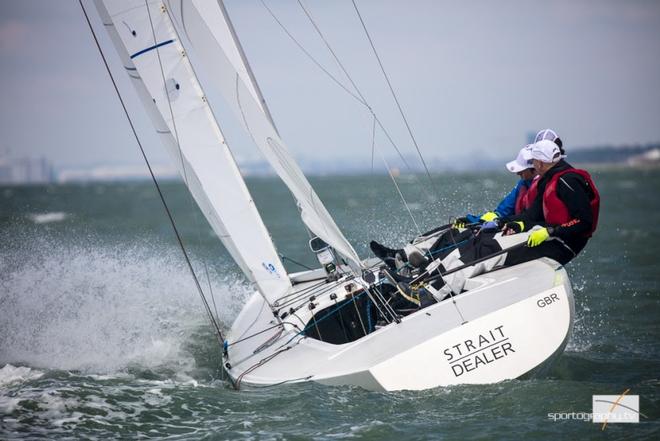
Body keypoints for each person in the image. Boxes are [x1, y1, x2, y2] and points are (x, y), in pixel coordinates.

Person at [419, 138, 600, 300]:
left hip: (562, 244)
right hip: (547, 235)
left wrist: (550, 231)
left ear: (541, 162)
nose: (533, 166)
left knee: (491, 248)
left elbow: (584, 221)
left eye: (534, 161)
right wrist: (511, 223)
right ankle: (428, 281)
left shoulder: (568, 180)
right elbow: (531, 215)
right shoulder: (547, 180)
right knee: (484, 240)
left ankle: (434, 294)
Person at [459, 128, 564, 225]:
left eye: (522, 170)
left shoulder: (557, 181)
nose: (518, 173)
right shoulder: (523, 184)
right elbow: (502, 212)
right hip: (520, 226)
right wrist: (473, 220)